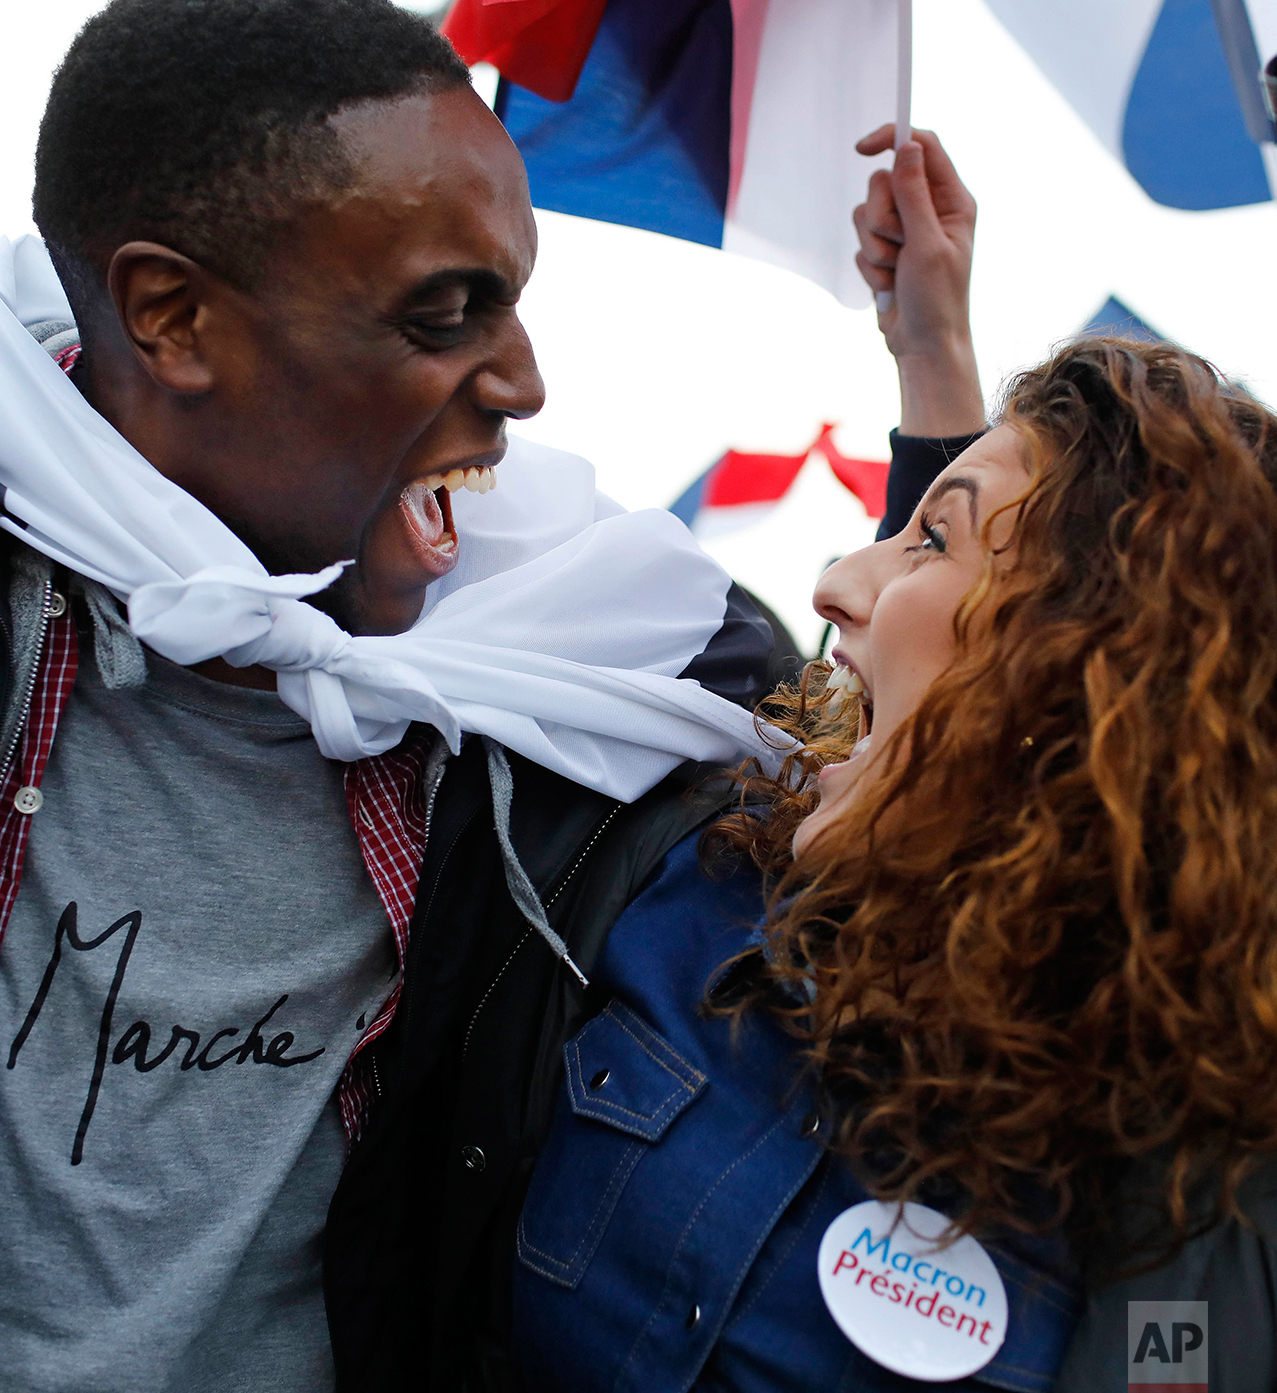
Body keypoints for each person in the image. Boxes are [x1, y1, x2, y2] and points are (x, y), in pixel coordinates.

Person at [0, 3, 789, 1391]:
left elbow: (960, 718)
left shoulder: (579, 661)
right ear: (172, 319)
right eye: (444, 314)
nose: (527, 383)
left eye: (516, 298)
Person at [510, 256, 1277, 1392]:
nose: (828, 583)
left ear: (1084, 677)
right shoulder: (665, 875)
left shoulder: (1193, 1195)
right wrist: (928, 360)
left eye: (926, 540)